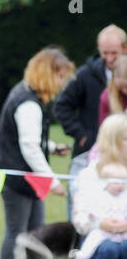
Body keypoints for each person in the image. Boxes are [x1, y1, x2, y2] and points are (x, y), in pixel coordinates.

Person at [0, 48, 75, 259]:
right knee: (17, 233)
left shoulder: (29, 95)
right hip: (19, 179)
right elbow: (28, 146)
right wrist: (52, 180)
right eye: (60, 77)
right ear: (48, 74)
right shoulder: (28, 103)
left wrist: (51, 147)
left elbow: (32, 140)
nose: (62, 83)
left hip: (28, 179)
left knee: (36, 236)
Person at [54, 24, 126, 158]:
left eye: (114, 53)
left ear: (125, 49)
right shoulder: (85, 75)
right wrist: (82, 135)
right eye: (105, 53)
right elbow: (61, 105)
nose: (109, 59)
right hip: (92, 150)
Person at [74, 159, 127, 259]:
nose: (120, 185)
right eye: (115, 182)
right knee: (108, 249)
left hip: (124, 236)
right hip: (101, 236)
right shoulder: (96, 193)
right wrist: (101, 223)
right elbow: (86, 218)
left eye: (123, 182)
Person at [98, 56, 127, 124]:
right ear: (114, 79)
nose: (125, 91)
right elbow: (104, 128)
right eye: (121, 86)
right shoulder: (106, 97)